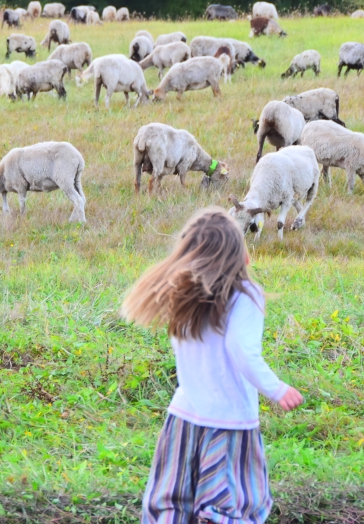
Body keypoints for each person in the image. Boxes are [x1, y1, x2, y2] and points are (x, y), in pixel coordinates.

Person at [121, 206, 304, 524]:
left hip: (183, 420)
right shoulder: (246, 296)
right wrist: (277, 388)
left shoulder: (183, 296)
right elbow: (241, 351)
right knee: (226, 508)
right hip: (228, 422)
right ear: (238, 255)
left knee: (173, 504)